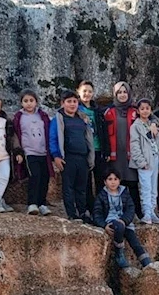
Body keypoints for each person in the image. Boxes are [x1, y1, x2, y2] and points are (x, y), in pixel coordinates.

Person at [92, 170, 152, 269]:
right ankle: (119, 253)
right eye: (110, 179)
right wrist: (104, 225)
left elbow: (130, 209)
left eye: (115, 179)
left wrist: (124, 220)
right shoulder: (101, 196)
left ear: (119, 181)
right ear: (105, 182)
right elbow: (97, 214)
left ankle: (146, 262)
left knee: (134, 241)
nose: (113, 182)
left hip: (125, 222)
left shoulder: (125, 193)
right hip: (111, 222)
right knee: (118, 227)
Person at [50, 90, 94, 221]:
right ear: (62, 103)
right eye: (69, 101)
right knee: (68, 187)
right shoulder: (58, 119)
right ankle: (71, 213)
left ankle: (82, 212)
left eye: (75, 101)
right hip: (67, 157)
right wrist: (56, 156)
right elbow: (53, 138)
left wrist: (90, 157)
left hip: (83, 157)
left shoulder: (82, 118)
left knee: (82, 187)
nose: (72, 104)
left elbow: (88, 138)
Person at [102, 81, 141, 218]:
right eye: (119, 92)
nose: (122, 95)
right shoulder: (108, 112)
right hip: (115, 155)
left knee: (133, 184)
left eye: (125, 92)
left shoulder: (135, 110)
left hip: (131, 154)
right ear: (115, 94)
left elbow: (151, 115)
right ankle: (116, 212)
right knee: (117, 183)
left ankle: (136, 212)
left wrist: (154, 122)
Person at [13, 89, 54, 216]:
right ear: (21, 103)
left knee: (44, 177)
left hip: (44, 152)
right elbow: (15, 135)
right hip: (29, 152)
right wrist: (18, 151)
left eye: (31, 100)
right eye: (25, 101)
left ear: (36, 102)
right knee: (34, 175)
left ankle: (42, 203)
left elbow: (50, 131)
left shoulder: (43, 115)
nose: (29, 103)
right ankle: (32, 203)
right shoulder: (19, 117)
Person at [130, 98, 159, 224]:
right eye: (142, 109)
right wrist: (141, 162)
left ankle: (152, 211)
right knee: (145, 187)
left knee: (153, 188)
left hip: (155, 159)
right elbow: (134, 146)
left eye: (147, 108)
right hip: (145, 161)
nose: (145, 111)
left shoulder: (153, 125)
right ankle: (146, 212)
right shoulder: (135, 126)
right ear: (138, 111)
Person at [77, 80, 108, 215]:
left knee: (101, 181)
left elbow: (104, 131)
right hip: (84, 150)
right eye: (84, 91)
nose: (87, 94)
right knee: (86, 182)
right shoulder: (75, 108)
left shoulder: (97, 110)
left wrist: (106, 149)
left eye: (90, 91)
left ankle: (100, 209)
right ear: (78, 92)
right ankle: (88, 209)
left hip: (98, 149)